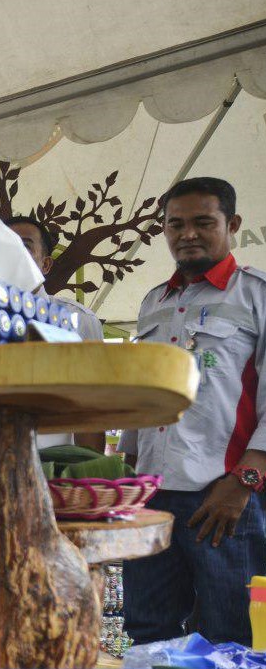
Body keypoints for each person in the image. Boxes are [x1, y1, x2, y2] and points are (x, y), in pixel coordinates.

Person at [117, 177, 266, 646]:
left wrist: (243, 484)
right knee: (147, 630)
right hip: (150, 496)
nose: (188, 235)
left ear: (232, 224)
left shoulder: (256, 295)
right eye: (175, 225)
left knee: (231, 635)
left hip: (221, 497)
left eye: (203, 222)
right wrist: (126, 474)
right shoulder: (153, 302)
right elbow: (142, 394)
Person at [3, 214, 107, 452]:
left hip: (55, 473)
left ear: (46, 264)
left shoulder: (79, 321)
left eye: (25, 247)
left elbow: (89, 410)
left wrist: (84, 481)